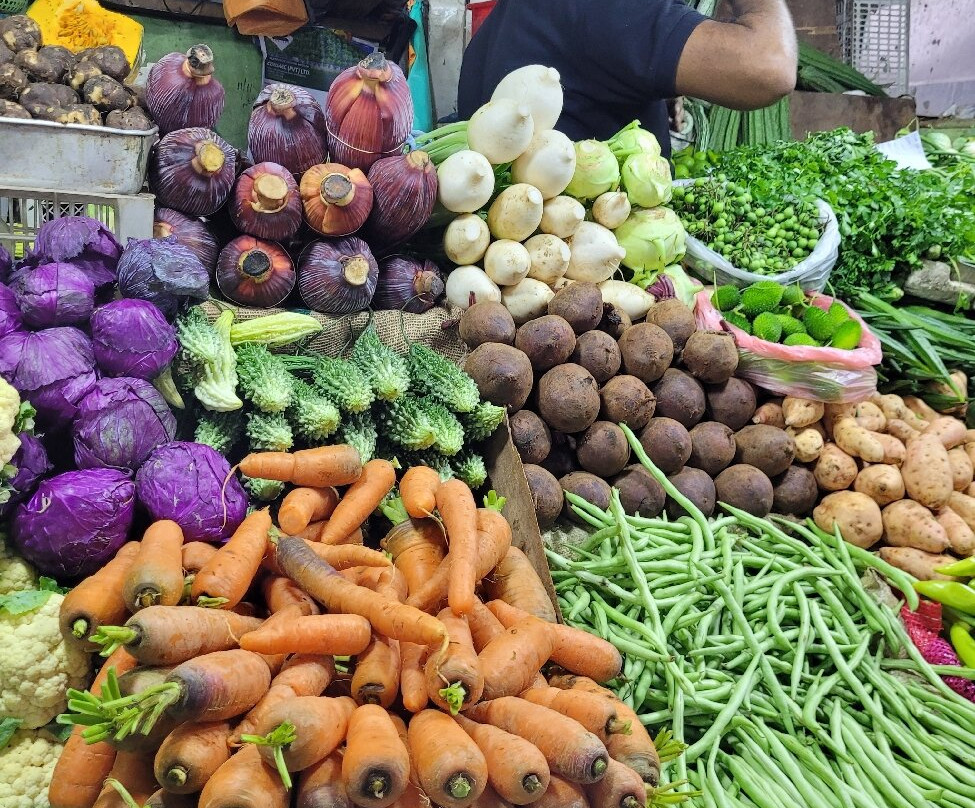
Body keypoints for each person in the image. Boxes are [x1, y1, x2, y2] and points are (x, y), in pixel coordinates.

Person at [457, 0, 797, 157]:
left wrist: (655, 77)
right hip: (595, 281)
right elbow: (771, 66)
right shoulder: (613, 8)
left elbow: (588, 54)